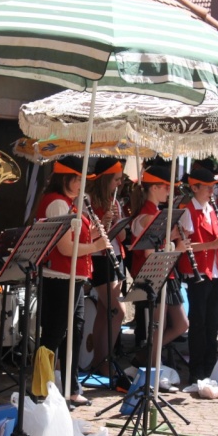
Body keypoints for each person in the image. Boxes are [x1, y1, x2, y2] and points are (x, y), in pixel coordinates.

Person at [36, 156, 110, 407]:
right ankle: (42, 388)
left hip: (75, 277)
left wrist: (96, 234)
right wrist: (97, 245)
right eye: (78, 179)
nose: (82, 184)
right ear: (65, 178)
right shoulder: (57, 204)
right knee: (55, 333)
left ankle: (71, 387)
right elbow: (66, 248)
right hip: (58, 277)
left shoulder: (71, 204)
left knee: (75, 332)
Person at [129, 165, 190, 368]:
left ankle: (147, 354)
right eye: (165, 187)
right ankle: (153, 366)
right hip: (154, 275)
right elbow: (150, 254)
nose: (169, 191)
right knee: (158, 326)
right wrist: (177, 247)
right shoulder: (148, 216)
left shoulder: (156, 213)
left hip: (166, 273)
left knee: (181, 324)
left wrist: (174, 241)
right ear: (154, 188)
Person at [177, 167, 218, 382]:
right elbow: (184, 245)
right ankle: (197, 370)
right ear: (195, 187)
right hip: (199, 271)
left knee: (213, 322)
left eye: (213, 187)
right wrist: (213, 243)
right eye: (207, 187)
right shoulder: (188, 211)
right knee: (198, 323)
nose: (211, 191)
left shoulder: (212, 209)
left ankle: (211, 366)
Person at [86, 158, 127, 378]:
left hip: (115, 256)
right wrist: (103, 221)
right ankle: (104, 360)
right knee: (117, 312)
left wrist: (118, 220)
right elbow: (87, 233)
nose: (119, 184)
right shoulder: (89, 201)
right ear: (105, 180)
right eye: (116, 180)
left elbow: (122, 236)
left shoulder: (116, 203)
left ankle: (97, 360)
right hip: (98, 257)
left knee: (104, 312)